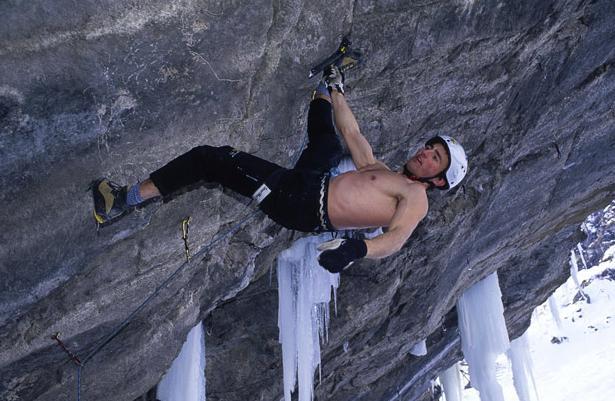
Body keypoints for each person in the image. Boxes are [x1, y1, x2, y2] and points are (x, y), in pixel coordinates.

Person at [92, 66, 468, 273]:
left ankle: (121, 200)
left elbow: (396, 240)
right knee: (329, 144)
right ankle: (322, 85)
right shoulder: (384, 171)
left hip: (297, 202)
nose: (426, 153)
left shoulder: (416, 198)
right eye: (430, 147)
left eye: (436, 159)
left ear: (438, 180)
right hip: (310, 183)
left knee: (210, 159)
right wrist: (337, 87)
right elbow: (352, 131)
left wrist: (358, 250)